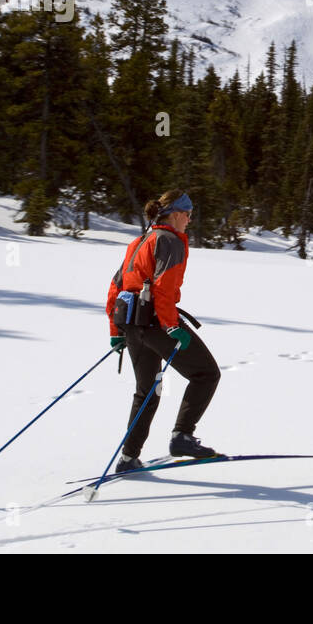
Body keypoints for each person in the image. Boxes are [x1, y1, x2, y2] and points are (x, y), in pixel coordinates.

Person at [104, 189, 220, 472]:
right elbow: (163, 288)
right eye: (189, 215)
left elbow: (117, 286)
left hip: (131, 324)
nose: (190, 221)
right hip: (157, 323)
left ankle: (129, 457)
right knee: (206, 374)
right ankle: (182, 436)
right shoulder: (170, 241)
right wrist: (171, 327)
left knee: (147, 391)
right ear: (177, 214)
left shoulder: (140, 240)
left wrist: (116, 331)